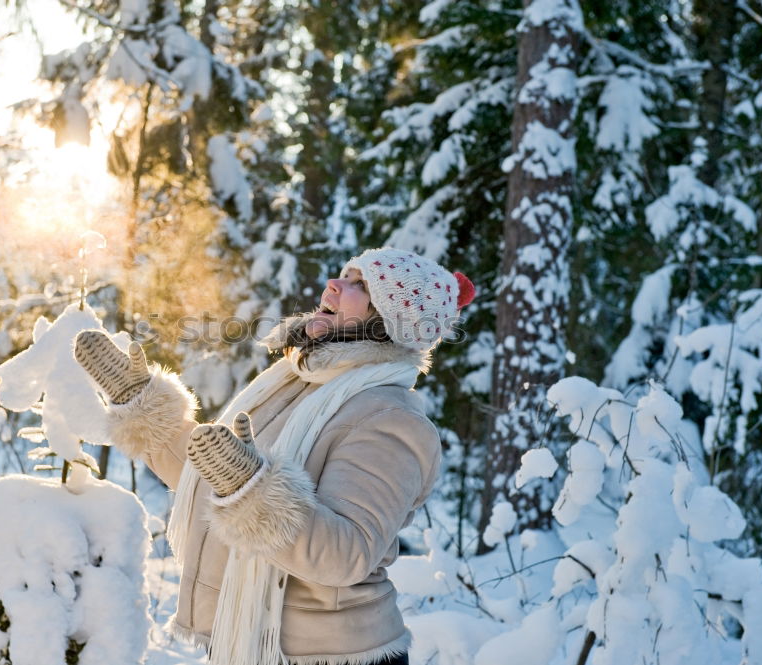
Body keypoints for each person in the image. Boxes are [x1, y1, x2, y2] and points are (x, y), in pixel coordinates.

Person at [74, 247, 475, 665]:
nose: (334, 284)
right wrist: (143, 406)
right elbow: (210, 479)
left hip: (331, 655)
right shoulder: (294, 386)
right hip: (248, 643)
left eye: (362, 286)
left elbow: (344, 554)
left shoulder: (391, 419)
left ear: (388, 323)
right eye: (344, 275)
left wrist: (251, 489)